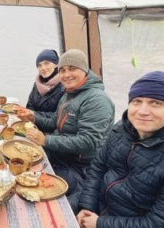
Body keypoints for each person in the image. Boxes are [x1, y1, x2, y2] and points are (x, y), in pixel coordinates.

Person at [77, 70, 164, 228]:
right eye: (137, 101)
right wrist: (86, 206)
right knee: (50, 208)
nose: (143, 111)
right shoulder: (121, 130)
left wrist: (99, 225)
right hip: (102, 209)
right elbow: (97, 167)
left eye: (156, 103)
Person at [22, 49, 115, 208]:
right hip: (62, 155)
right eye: (63, 70)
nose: (66, 74)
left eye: (72, 69)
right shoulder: (69, 94)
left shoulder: (97, 100)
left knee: (46, 201)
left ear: (84, 70)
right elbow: (54, 122)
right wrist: (34, 118)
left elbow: (88, 142)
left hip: (81, 167)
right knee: (22, 163)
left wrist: (46, 140)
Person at [26, 49, 64, 116]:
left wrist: (34, 115)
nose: (43, 68)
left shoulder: (63, 85)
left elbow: (59, 116)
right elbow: (29, 106)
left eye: (46, 63)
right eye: (39, 65)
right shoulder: (37, 84)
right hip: (33, 124)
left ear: (56, 64)